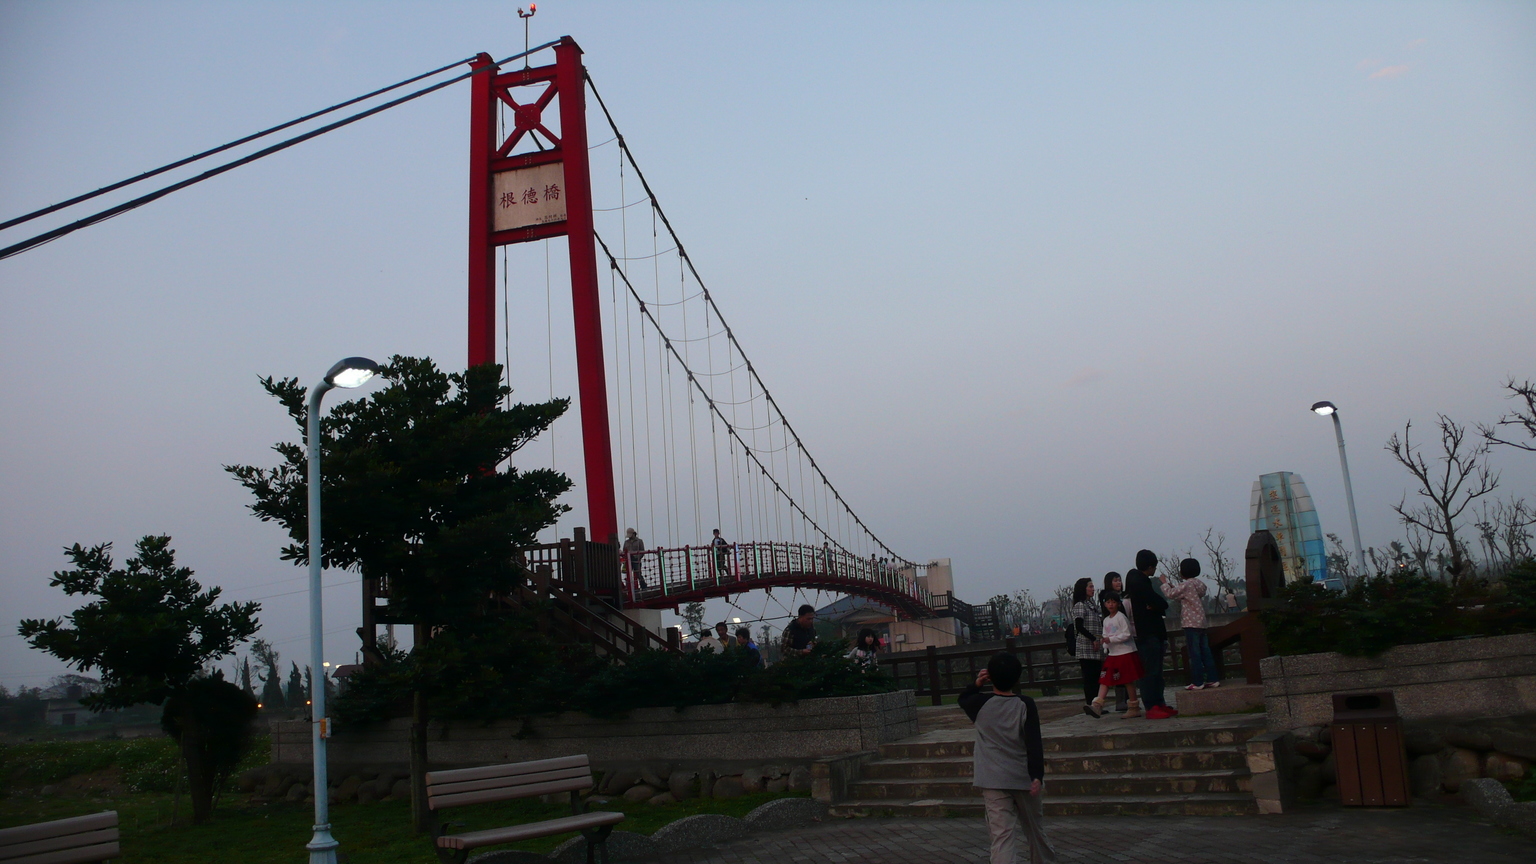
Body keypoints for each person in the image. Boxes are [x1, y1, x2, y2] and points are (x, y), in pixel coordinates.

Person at [959, 653, 1055, 864]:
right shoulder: (1025, 704)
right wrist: (1037, 775)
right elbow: (1033, 743)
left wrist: (977, 683)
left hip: (992, 779)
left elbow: (963, 698)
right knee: (1035, 832)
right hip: (1023, 777)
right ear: (1017, 678)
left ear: (990, 677)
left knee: (1001, 837)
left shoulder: (979, 703)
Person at [1126, 550, 1176, 719]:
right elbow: (1160, 602)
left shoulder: (1134, 579)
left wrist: (1157, 605)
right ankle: (1151, 705)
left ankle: (1158, 703)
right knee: (1150, 672)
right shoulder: (1140, 581)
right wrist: (1157, 606)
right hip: (1149, 633)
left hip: (1152, 632)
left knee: (1157, 672)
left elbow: (1157, 603)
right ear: (1150, 566)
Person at [1085, 593, 1144, 720]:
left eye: (1113, 602)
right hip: (1113, 654)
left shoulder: (1121, 617)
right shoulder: (1106, 620)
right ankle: (1097, 704)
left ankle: (1134, 707)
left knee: (1128, 680)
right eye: (1108, 602)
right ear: (1105, 604)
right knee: (1105, 679)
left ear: (1118, 603)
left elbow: (1127, 634)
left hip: (1126, 652)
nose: (1110, 605)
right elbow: (1105, 635)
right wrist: (1105, 644)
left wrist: (1111, 640)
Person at [1163, 558, 1219, 690]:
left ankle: (1198, 682)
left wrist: (1165, 583)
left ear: (1182, 572)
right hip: (1201, 622)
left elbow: (1171, 594)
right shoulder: (1199, 584)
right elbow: (1184, 595)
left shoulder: (1187, 584)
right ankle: (1213, 678)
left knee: (1194, 654)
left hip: (1190, 623)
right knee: (1205, 652)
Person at [1069, 578, 1103, 708]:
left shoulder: (1092, 605)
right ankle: (1091, 703)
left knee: (1096, 676)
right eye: (1090, 586)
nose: (1093, 589)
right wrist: (1093, 638)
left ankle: (1096, 704)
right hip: (1086, 646)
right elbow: (1079, 626)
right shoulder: (1080, 605)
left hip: (1095, 645)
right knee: (1090, 677)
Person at [1100, 572, 1130, 713]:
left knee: (1127, 675)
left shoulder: (1123, 603)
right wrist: (1107, 642)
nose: (1119, 583)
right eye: (1115, 581)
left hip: (1123, 646)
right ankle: (1120, 701)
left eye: (1119, 580)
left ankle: (1129, 701)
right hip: (1114, 646)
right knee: (1115, 674)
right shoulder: (1109, 613)